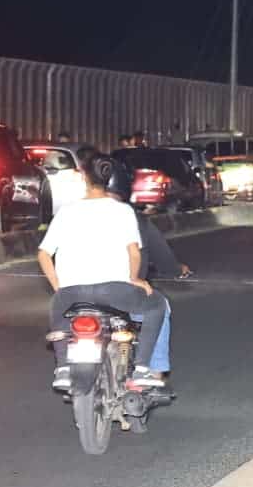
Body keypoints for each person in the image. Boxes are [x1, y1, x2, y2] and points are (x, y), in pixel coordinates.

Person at [37, 153, 169, 393]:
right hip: (115, 291)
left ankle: (64, 368)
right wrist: (136, 279)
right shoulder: (123, 212)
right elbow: (134, 253)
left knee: (58, 314)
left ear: (84, 177)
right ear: (108, 179)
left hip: (71, 294)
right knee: (157, 305)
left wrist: (59, 286)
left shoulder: (66, 212)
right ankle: (141, 369)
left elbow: (44, 254)